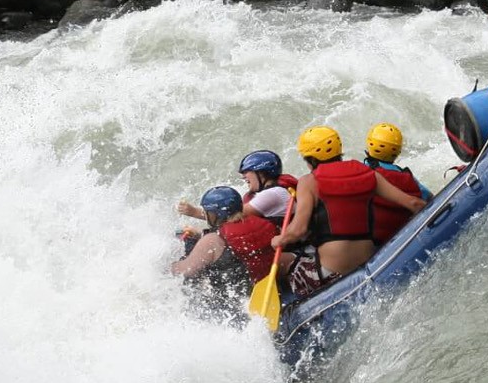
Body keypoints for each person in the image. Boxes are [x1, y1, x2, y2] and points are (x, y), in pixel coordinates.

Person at [272, 126, 428, 297]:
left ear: (310, 159)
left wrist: (279, 239)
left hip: (332, 273)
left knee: (283, 261)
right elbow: (414, 203)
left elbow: (298, 230)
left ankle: (290, 308)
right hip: (368, 262)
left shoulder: (309, 182)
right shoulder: (368, 173)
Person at [171, 186, 281, 311]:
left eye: (208, 212)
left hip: (231, 306)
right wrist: (200, 236)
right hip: (264, 292)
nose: (206, 215)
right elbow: (239, 242)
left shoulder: (213, 240)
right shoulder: (266, 225)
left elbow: (185, 271)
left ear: (216, 214)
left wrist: (169, 266)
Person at [177, 150, 297, 226]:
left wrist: (193, 212)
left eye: (246, 172)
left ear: (261, 173)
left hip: (294, 252)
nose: (243, 177)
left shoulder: (273, 194)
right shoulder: (274, 191)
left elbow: (230, 215)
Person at [360, 123, 431, 246]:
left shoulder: (359, 173)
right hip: (404, 236)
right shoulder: (405, 176)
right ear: (397, 151)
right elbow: (429, 198)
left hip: (373, 244)